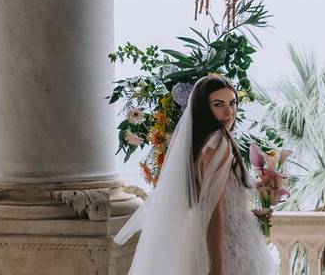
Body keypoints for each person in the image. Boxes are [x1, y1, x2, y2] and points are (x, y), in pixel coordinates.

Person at [113, 75, 278, 275]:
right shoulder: (219, 144)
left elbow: (210, 202)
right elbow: (213, 210)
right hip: (229, 247)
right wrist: (217, 268)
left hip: (203, 240)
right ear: (204, 109)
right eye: (219, 105)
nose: (229, 112)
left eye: (232, 103)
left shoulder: (200, 144)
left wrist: (248, 215)